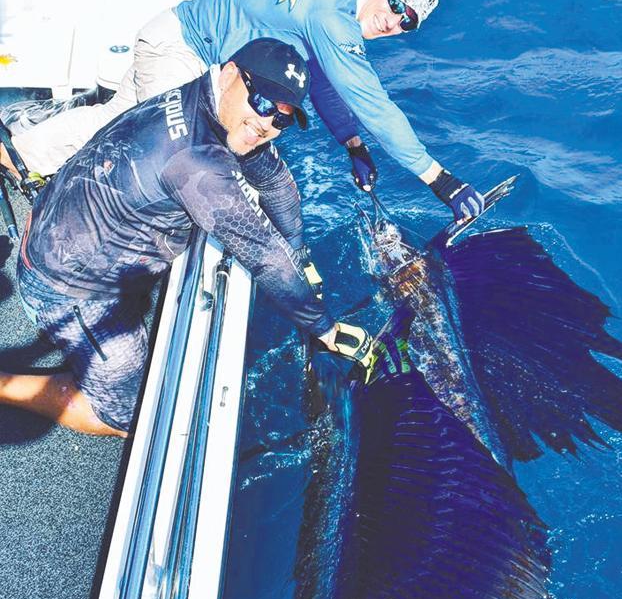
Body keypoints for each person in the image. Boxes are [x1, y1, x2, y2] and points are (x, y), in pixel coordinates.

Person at [0, 38, 373, 438]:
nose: (267, 124)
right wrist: (325, 329)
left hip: (79, 232)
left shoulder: (213, 107)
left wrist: (298, 254)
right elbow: (263, 255)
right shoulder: (195, 161)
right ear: (231, 74)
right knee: (129, 418)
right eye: (264, 104)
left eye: (281, 120)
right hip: (69, 285)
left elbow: (277, 183)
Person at [1, 0, 484, 224]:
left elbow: (325, 82)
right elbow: (373, 101)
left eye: (408, 22)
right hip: (183, 52)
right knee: (170, 153)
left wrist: (353, 145)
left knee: (117, 118)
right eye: (396, 3)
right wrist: (440, 180)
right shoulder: (333, 20)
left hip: (176, 36)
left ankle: (15, 152)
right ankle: (86, 222)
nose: (395, 20)